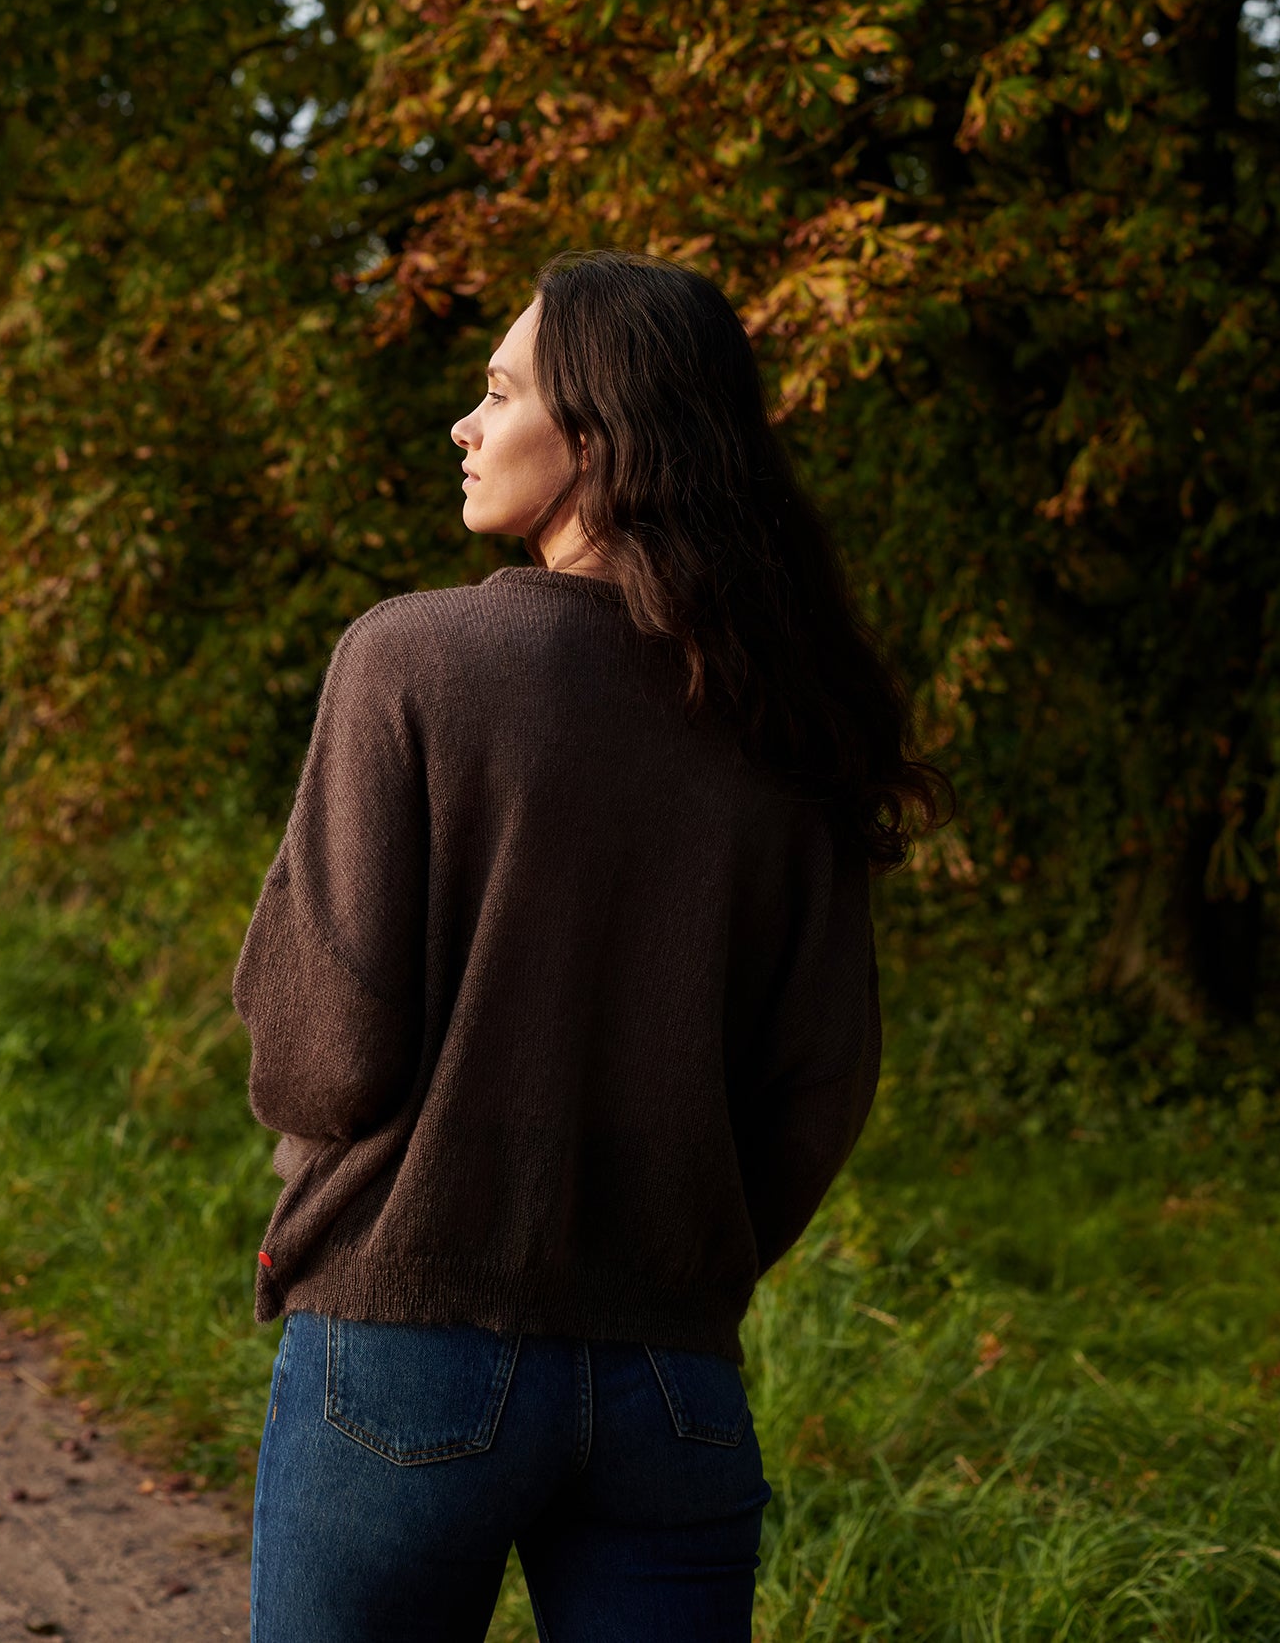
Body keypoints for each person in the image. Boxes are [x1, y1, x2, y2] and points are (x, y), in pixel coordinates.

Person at [235, 250, 946, 1642]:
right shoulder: (783, 707)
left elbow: (323, 1060)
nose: (465, 423)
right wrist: (685, 1262)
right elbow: (819, 1084)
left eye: (499, 392)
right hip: (670, 1388)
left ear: (599, 444)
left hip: (405, 1347)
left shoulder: (408, 661)